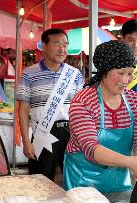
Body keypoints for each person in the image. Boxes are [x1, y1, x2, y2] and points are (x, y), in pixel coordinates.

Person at [63, 40, 137, 193]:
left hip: (119, 181)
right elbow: (91, 148)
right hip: (82, 182)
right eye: (120, 73)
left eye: (130, 73)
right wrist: (130, 162)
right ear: (104, 71)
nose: (126, 80)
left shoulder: (135, 100)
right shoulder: (83, 101)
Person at [16, 28, 84, 181]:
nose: (62, 49)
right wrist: (26, 141)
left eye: (65, 45)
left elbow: (81, 108)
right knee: (40, 182)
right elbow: (23, 109)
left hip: (71, 133)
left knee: (74, 181)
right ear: (44, 46)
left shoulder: (75, 75)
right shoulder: (29, 74)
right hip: (42, 133)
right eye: (56, 44)